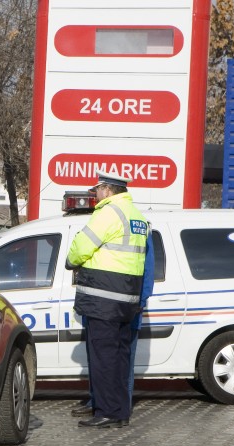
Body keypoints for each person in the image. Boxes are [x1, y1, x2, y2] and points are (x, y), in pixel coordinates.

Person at [65, 170, 147, 428]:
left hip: (103, 300)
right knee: (120, 359)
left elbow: (81, 248)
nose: (95, 194)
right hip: (126, 300)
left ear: (108, 190)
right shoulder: (137, 216)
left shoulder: (109, 213)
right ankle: (120, 412)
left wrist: (71, 261)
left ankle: (106, 412)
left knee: (103, 359)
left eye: (97, 189)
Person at [72, 225, 154, 418]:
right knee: (100, 360)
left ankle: (118, 410)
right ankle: (99, 402)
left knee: (121, 363)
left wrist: (140, 302)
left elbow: (147, 268)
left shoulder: (138, 229)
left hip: (125, 305)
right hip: (102, 305)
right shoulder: (103, 225)